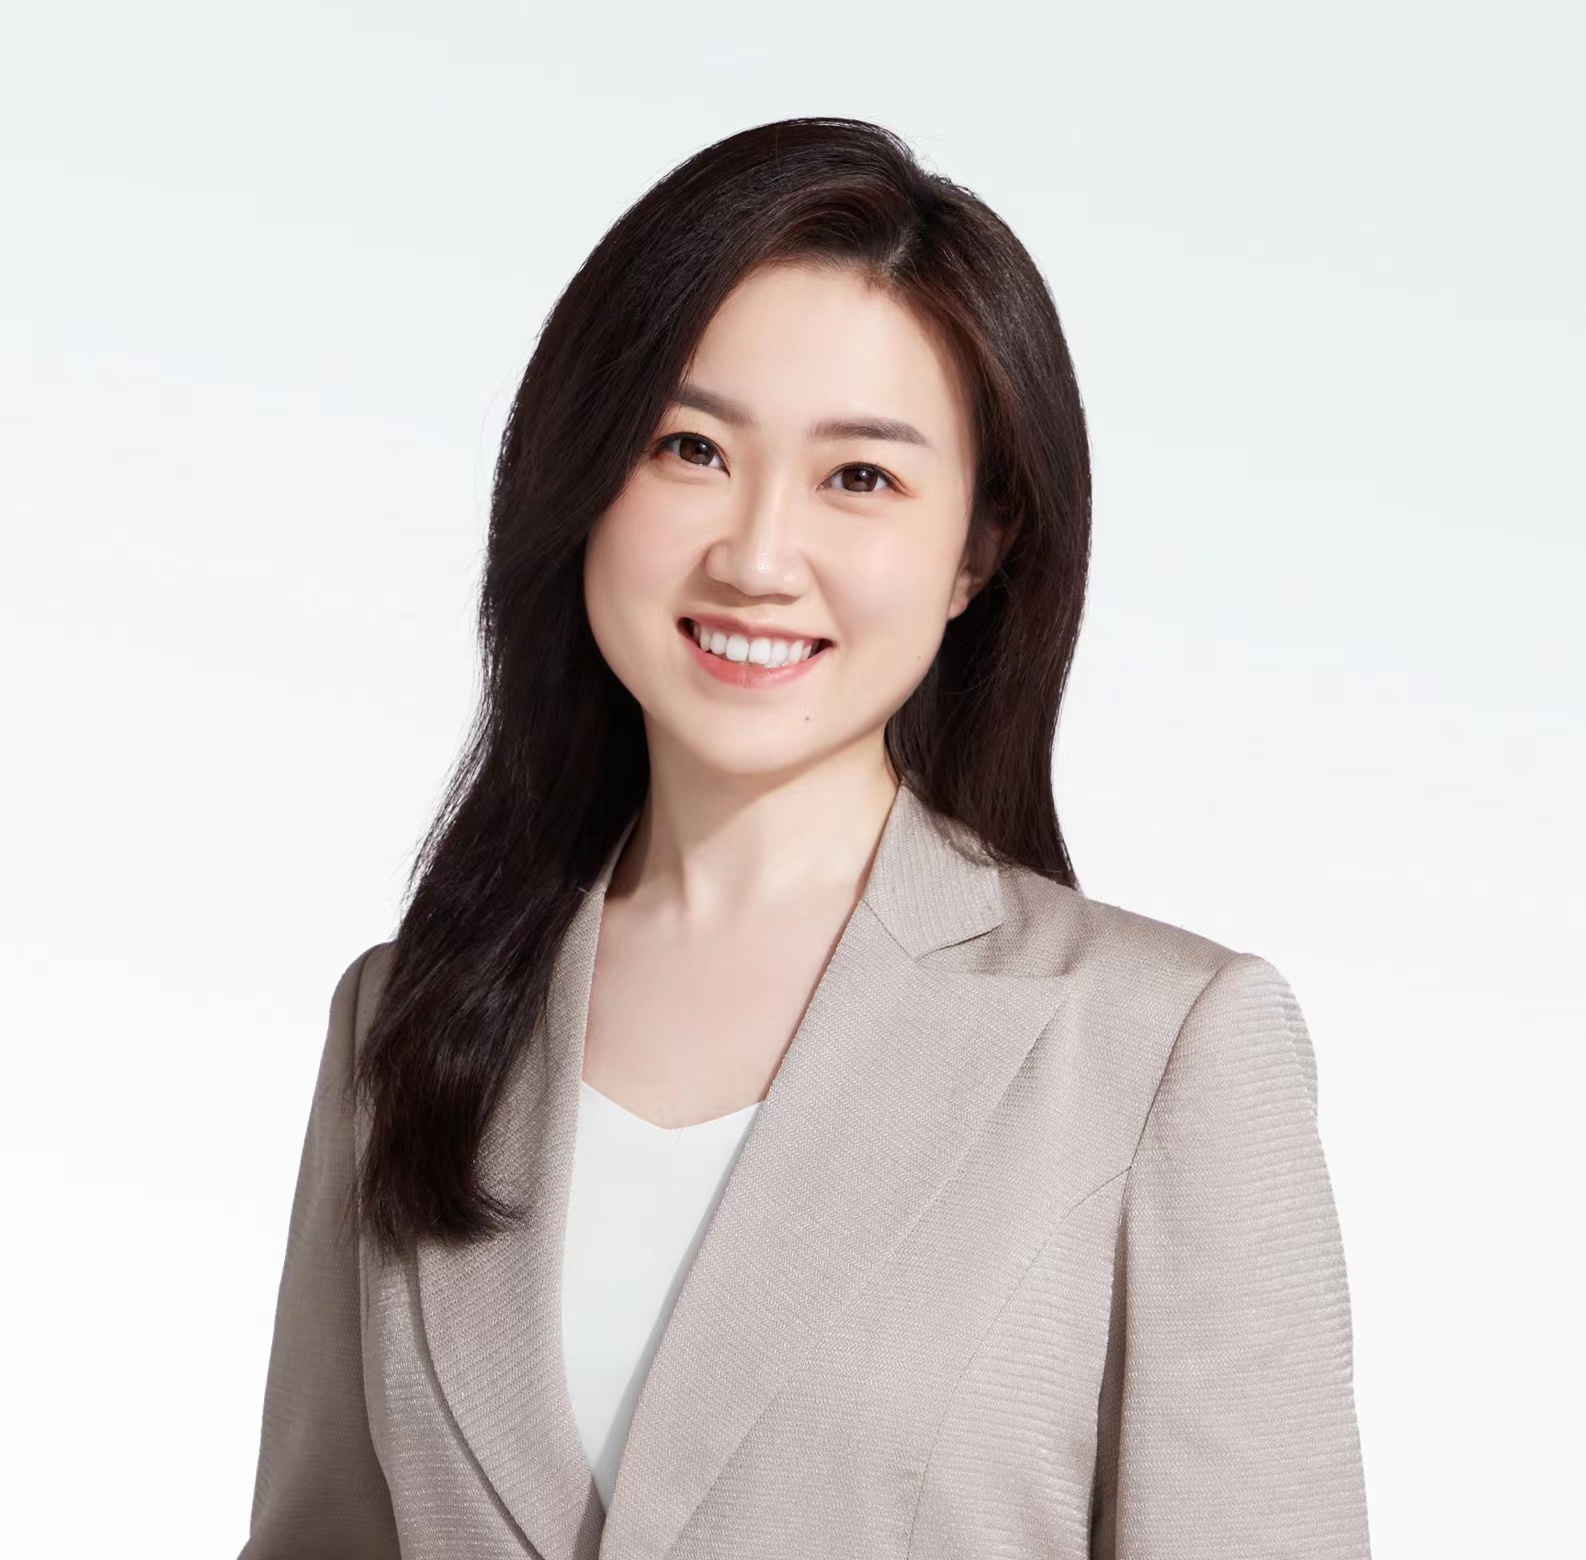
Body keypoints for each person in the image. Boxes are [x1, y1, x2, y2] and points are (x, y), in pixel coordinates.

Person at [239, 116, 1372, 1559]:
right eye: (689, 448)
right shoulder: (403, 1018)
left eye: (860, 478)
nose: (758, 557)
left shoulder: (1159, 1048)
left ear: (979, 549)